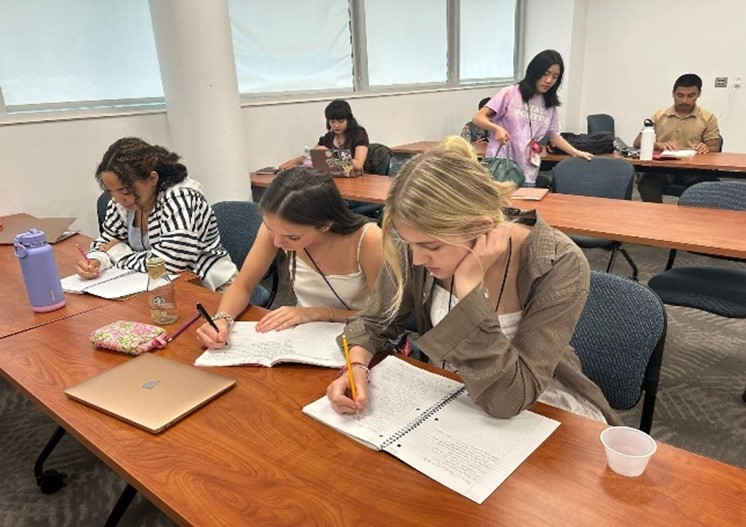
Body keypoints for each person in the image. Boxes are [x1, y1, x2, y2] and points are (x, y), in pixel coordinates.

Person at [326, 138, 621, 425]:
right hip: (448, 395)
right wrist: (356, 366)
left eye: (432, 247)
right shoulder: (417, 241)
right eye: (410, 244)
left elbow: (509, 400)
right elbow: (374, 321)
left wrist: (469, 292)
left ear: (482, 227)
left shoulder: (557, 262)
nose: (416, 259)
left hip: (535, 406)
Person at [196, 167, 384, 346]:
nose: (277, 242)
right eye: (271, 230)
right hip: (304, 336)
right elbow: (243, 285)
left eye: (293, 237)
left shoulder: (369, 239)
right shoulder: (278, 229)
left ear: (326, 224)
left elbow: (382, 317)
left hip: (360, 338)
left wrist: (318, 313)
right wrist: (222, 319)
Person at [76, 137, 237, 291]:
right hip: (155, 286)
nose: (117, 199)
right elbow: (106, 242)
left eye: (124, 190)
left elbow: (170, 263)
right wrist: (97, 260)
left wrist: (118, 254)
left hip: (210, 287)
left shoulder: (180, 198)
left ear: (152, 178)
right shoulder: (124, 203)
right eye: (110, 192)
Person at [471, 49, 593, 187]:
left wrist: (575, 152)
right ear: (534, 71)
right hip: (502, 168)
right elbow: (478, 117)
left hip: (529, 171)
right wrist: (496, 128)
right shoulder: (510, 93)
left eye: (555, 76)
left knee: (526, 208)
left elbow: (554, 136)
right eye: (545, 74)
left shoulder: (549, 104)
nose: (549, 80)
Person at [633, 74, 721, 202]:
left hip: (693, 169)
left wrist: (705, 147)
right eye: (680, 95)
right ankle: (655, 216)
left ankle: (691, 218)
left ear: (699, 94)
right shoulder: (660, 115)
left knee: (711, 186)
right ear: (673, 93)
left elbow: (714, 147)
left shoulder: (708, 117)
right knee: (647, 181)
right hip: (664, 168)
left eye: (691, 96)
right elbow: (637, 143)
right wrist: (658, 144)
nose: (684, 100)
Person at [279, 99, 370, 173]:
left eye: (341, 121)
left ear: (349, 120)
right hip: (335, 178)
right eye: (332, 122)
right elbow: (311, 155)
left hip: (356, 179)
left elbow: (358, 165)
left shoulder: (359, 134)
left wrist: (330, 154)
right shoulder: (329, 137)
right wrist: (291, 163)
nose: (336, 125)